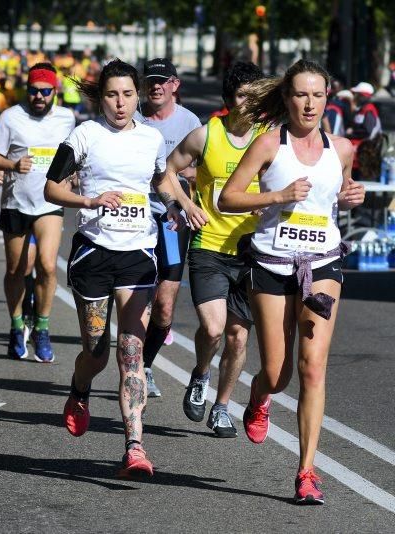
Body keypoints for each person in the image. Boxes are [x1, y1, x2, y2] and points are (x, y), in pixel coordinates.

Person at [218, 59, 365, 504]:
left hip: (321, 262)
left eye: (318, 95)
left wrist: (350, 193)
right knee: (279, 374)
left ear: (327, 99)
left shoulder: (341, 148)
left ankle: (306, 472)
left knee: (312, 367)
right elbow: (228, 198)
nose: (309, 103)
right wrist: (278, 196)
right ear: (287, 97)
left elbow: (339, 192)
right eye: (301, 94)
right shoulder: (268, 145)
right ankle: (260, 395)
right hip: (271, 263)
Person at [46, 59, 185, 478]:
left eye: (127, 94)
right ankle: (79, 389)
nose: (120, 103)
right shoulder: (84, 135)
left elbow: (161, 180)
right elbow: (52, 186)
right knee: (97, 351)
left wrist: (179, 206)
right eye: (112, 95)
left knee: (131, 353)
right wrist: (89, 201)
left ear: (137, 95)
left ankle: (135, 446)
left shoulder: (150, 139)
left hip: (138, 254)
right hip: (94, 253)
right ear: (100, 97)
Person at [161, 61, 264, 436]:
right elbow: (167, 172)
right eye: (240, 95)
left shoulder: (268, 138)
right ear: (228, 99)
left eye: (254, 96)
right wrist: (186, 205)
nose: (247, 103)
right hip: (210, 246)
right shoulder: (206, 135)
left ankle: (222, 406)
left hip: (253, 251)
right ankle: (201, 372)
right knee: (214, 327)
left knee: (238, 336)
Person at [0, 63, 75, 361]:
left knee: (48, 266)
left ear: (55, 92)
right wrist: (12, 165)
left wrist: (73, 175)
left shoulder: (66, 118)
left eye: (45, 91)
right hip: (16, 202)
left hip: (50, 203)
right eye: (33, 90)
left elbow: (75, 153)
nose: (38, 96)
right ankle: (16, 323)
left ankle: (42, 328)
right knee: (17, 270)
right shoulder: (11, 117)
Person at [135, 58, 202, 398]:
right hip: (135, 218)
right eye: (151, 81)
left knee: (165, 304)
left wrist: (177, 174)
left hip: (173, 219)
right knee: (138, 298)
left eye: (162, 81)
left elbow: (203, 170)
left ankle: (146, 363)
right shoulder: (132, 118)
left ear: (175, 84)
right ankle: (132, 365)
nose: (156, 86)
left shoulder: (190, 123)